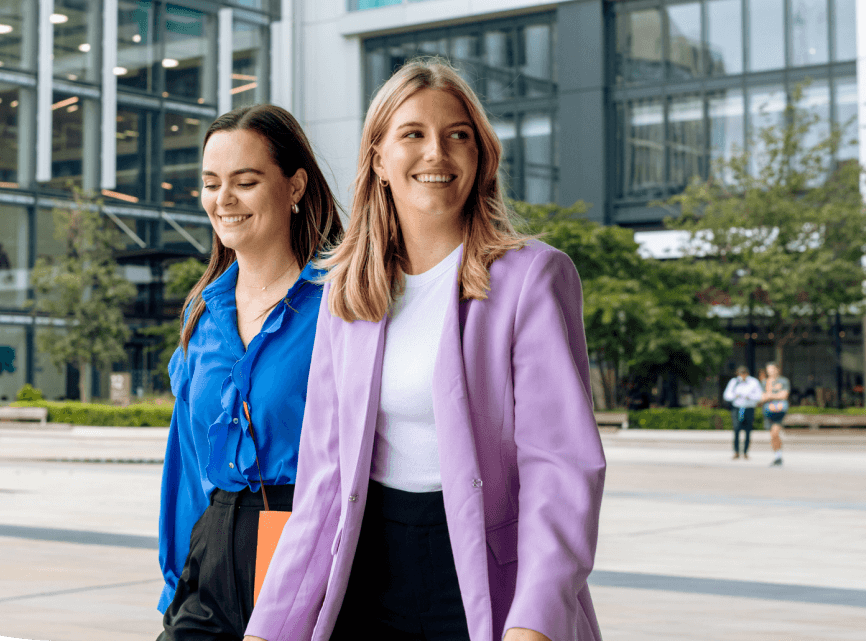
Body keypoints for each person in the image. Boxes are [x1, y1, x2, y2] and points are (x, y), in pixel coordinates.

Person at [243, 57, 606, 641]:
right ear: (379, 159)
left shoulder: (531, 278)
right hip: (365, 575)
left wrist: (535, 622)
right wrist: (268, 628)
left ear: (480, 156)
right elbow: (323, 483)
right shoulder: (346, 290)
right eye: (412, 134)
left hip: (485, 582)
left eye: (457, 135)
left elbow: (560, 470)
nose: (437, 152)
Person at [156, 104, 345, 640]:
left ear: (295, 186)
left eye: (246, 181)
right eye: (212, 183)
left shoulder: (341, 303)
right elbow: (187, 466)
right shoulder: (203, 315)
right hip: (212, 558)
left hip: (309, 548)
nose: (224, 200)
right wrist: (177, 587)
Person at [723, 366, 762, 460]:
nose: (742, 375)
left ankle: (745, 452)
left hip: (749, 408)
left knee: (748, 430)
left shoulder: (753, 382)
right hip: (737, 408)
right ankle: (736, 451)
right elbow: (727, 395)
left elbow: (759, 396)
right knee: (736, 429)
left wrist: (750, 396)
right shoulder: (734, 382)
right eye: (740, 373)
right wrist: (735, 395)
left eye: (744, 373)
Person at [762, 362, 790, 466]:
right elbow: (762, 397)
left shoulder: (783, 381)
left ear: (777, 370)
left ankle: (778, 456)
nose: (770, 372)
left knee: (775, 433)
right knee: (772, 436)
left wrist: (770, 395)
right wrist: (774, 395)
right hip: (768, 411)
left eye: (772, 369)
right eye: (768, 370)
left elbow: (784, 395)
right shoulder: (765, 382)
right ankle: (777, 455)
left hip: (779, 411)